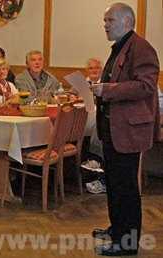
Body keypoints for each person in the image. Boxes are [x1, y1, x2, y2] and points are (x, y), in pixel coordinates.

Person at [90, 3, 160, 256]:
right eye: (105, 20)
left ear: (127, 22)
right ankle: (118, 228)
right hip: (114, 129)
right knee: (115, 183)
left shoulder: (141, 48)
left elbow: (146, 86)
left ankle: (127, 243)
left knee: (126, 188)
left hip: (127, 131)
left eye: (110, 20)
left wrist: (107, 90)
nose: (105, 24)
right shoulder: (122, 46)